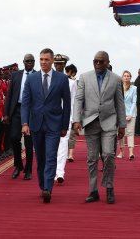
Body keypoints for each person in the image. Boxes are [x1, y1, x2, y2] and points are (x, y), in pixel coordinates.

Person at [72, 51, 126, 204]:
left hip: (109, 122)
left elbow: (119, 103)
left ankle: (109, 186)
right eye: (95, 61)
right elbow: (79, 99)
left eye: (101, 61)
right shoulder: (84, 77)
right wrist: (76, 120)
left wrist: (122, 125)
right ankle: (93, 190)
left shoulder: (115, 79)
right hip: (90, 122)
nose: (98, 64)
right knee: (92, 158)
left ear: (108, 62)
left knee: (109, 154)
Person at [21, 48, 71, 203]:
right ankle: (43, 185)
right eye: (41, 59)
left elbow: (67, 104)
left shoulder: (62, 79)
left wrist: (64, 125)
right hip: (36, 124)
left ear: (52, 61)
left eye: (46, 60)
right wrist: (24, 123)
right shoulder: (31, 79)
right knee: (41, 158)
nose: (43, 62)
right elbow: (26, 103)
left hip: (54, 125)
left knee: (50, 156)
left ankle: (48, 188)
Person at [3, 53, 35, 180]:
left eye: (31, 61)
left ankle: (28, 169)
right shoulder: (16, 75)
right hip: (17, 109)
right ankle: (18, 165)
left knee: (29, 142)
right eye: (27, 61)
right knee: (14, 137)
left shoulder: (38, 76)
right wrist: (6, 113)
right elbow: (9, 95)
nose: (29, 63)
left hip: (31, 112)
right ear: (23, 62)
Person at [53, 54, 77, 183]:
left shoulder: (72, 83)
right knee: (52, 146)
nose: (58, 66)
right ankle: (52, 170)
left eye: (61, 64)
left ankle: (60, 172)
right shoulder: (48, 79)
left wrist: (73, 119)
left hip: (65, 117)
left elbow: (73, 102)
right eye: (56, 64)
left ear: (64, 65)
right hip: (51, 117)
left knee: (63, 145)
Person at [117, 70, 137, 160]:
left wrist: (130, 114)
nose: (126, 77)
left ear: (130, 77)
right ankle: (121, 151)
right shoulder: (118, 87)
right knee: (121, 133)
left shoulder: (134, 88)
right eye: (124, 75)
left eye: (128, 76)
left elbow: (134, 102)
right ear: (122, 77)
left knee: (130, 133)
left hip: (131, 114)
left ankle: (131, 152)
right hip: (120, 114)